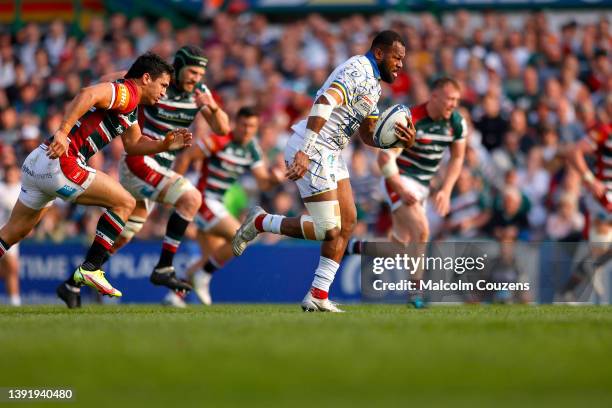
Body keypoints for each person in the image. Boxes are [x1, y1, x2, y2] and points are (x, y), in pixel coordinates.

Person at [232, 30, 416, 312]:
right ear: (379, 53)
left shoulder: (374, 85)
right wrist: (306, 150)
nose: (401, 64)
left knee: (349, 221)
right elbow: (324, 102)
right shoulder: (357, 70)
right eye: (397, 57)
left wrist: (399, 141)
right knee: (328, 229)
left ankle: (318, 294)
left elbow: (368, 136)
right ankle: (261, 222)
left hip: (330, 152)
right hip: (313, 147)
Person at [0, 52, 193, 309]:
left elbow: (133, 144)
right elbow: (87, 93)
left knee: (13, 233)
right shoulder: (127, 93)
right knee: (126, 202)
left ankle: (86, 271)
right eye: (163, 85)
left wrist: (163, 145)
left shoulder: (130, 105)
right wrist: (63, 132)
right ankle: (91, 268)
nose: (164, 92)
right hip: (62, 161)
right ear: (146, 78)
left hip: (38, 161)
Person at [95, 46, 230, 307]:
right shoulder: (157, 84)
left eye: (201, 73)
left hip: (159, 168)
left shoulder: (201, 93)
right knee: (191, 198)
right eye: (192, 71)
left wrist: (212, 107)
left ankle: (78, 279)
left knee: (125, 233)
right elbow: (107, 82)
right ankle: (164, 267)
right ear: (178, 68)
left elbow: (223, 128)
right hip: (139, 159)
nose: (196, 78)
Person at [346, 77, 467, 308]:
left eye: (456, 100)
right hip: (399, 180)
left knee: (400, 248)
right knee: (422, 231)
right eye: (450, 99)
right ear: (434, 96)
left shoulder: (457, 123)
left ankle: (354, 246)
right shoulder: (410, 119)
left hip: (423, 186)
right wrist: (400, 189)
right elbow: (385, 158)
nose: (453, 104)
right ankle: (415, 294)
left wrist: (446, 189)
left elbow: (458, 157)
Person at [168, 107, 283, 306]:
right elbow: (187, 156)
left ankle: (176, 295)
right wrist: (173, 188)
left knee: (209, 258)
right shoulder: (220, 139)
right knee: (241, 236)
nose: (247, 130)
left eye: (252, 127)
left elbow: (263, 182)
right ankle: (203, 276)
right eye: (244, 125)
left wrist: (274, 178)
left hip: (217, 205)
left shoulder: (252, 149)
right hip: (203, 200)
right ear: (235, 124)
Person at [561, 97, 611, 301]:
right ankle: (573, 288)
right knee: (600, 249)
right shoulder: (604, 131)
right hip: (604, 194)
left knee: (600, 252)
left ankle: (571, 287)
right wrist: (590, 179)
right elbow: (575, 152)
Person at [0, 165, 22, 306]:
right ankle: (15, 300)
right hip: (2, 230)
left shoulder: (23, 188)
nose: (10, 175)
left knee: (11, 268)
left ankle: (15, 300)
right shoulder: (1, 188)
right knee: (12, 266)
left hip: (13, 232)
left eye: (13, 171)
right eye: (8, 172)